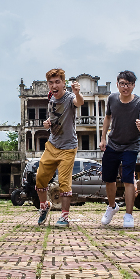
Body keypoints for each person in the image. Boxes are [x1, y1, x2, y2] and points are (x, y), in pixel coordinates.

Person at [99, 71, 140, 228]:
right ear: (117, 84)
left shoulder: (139, 103)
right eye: (122, 83)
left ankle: (128, 215)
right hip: (113, 143)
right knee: (109, 178)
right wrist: (103, 138)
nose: (125, 87)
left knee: (128, 179)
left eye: (128, 84)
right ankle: (112, 206)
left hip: (131, 145)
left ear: (133, 85)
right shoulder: (112, 98)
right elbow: (107, 117)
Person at [34, 69, 84, 228]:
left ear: (63, 83)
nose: (54, 85)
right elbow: (54, 115)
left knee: (64, 182)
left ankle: (64, 217)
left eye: (57, 82)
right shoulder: (51, 98)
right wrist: (47, 122)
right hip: (52, 145)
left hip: (68, 147)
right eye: (51, 83)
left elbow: (79, 102)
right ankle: (44, 206)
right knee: (40, 179)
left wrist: (77, 93)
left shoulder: (70, 98)